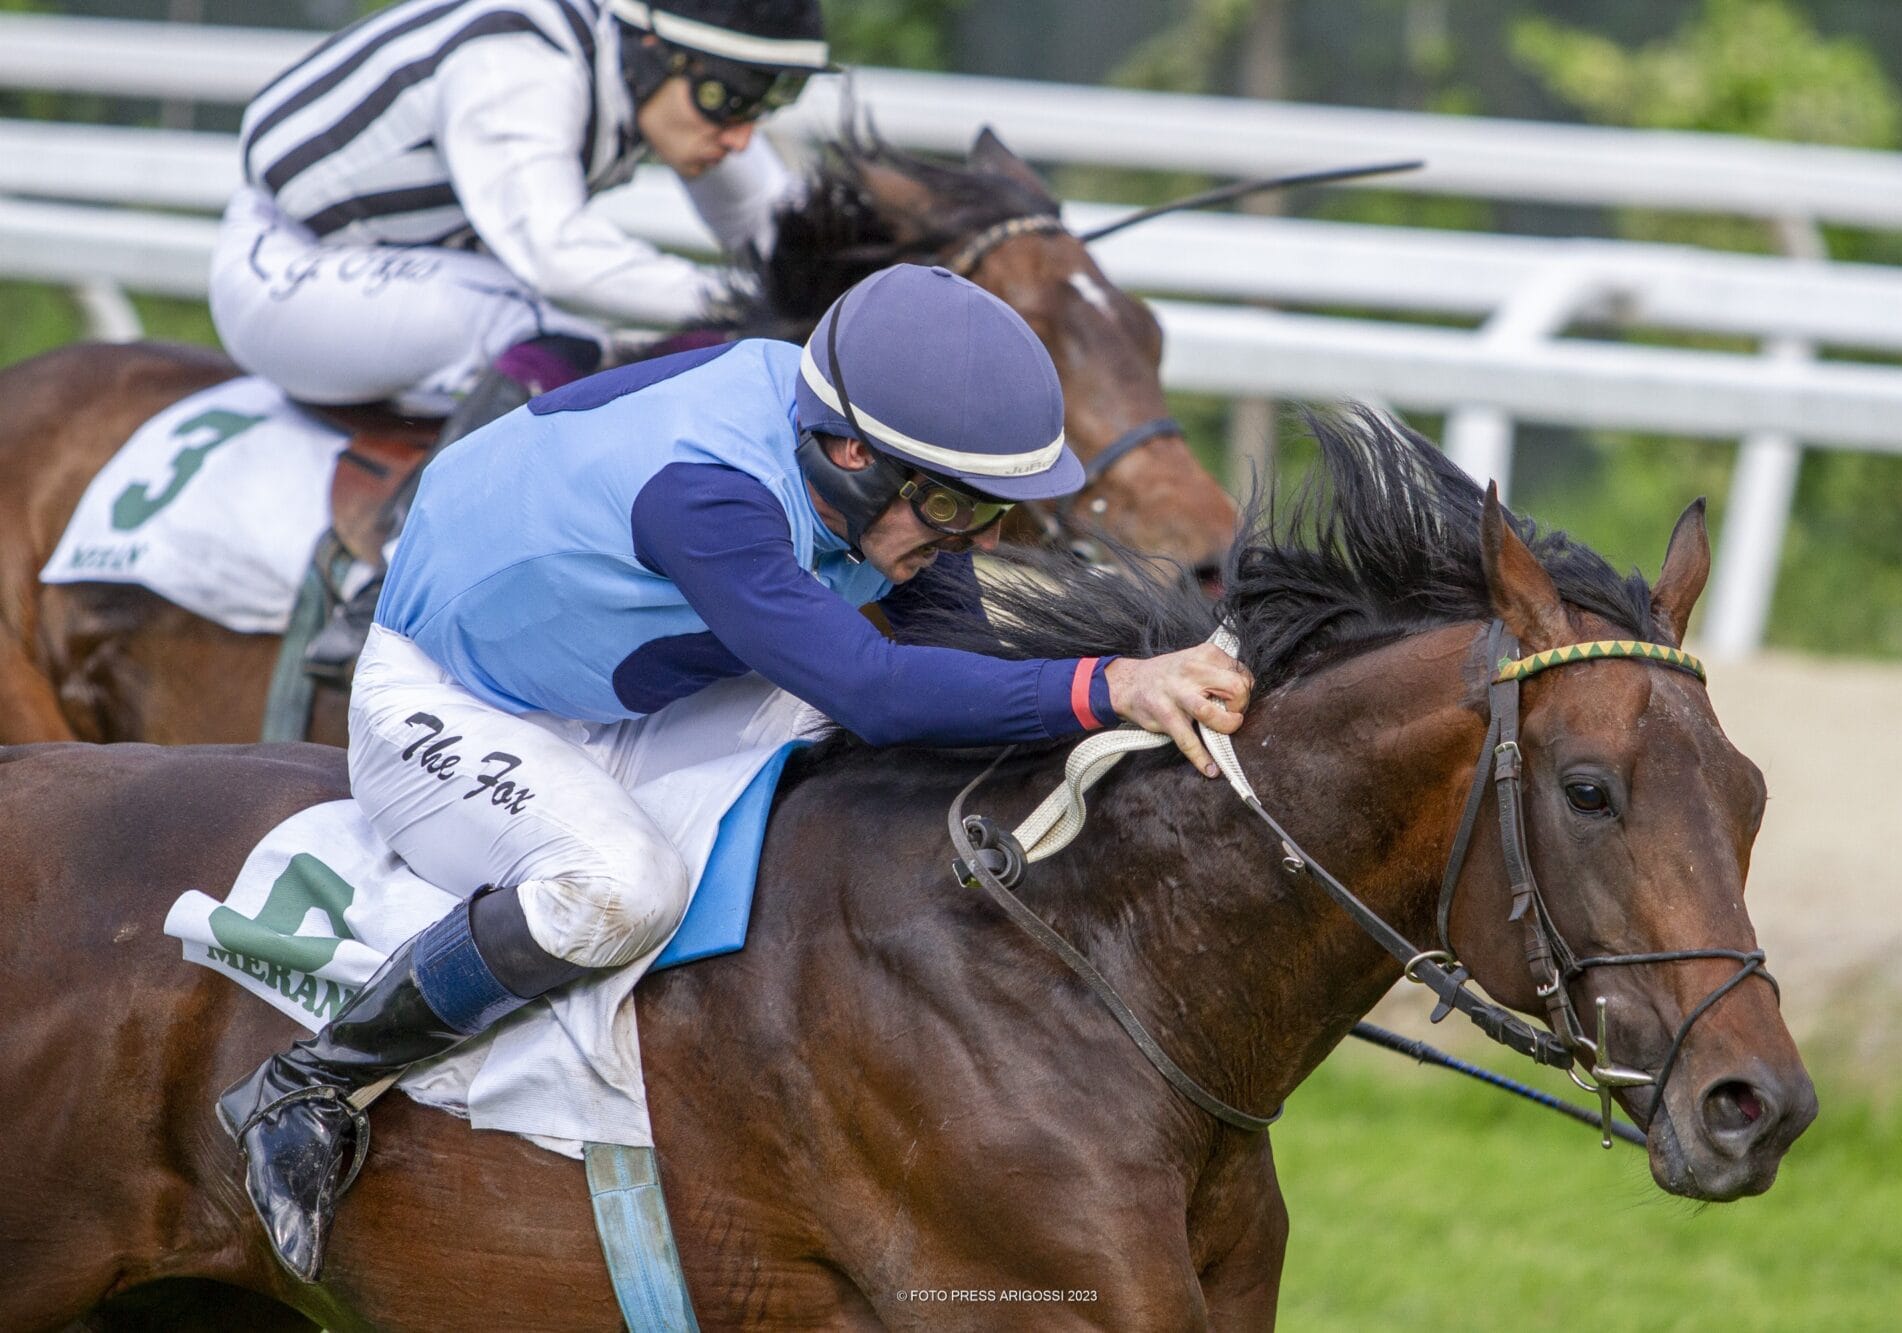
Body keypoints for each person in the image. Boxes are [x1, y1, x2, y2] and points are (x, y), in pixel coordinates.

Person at [216, 263, 1253, 1283]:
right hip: (449, 697)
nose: (973, 541)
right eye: (949, 506)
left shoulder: (845, 440)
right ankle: (310, 1083)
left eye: (993, 513)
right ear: (848, 455)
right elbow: (878, 690)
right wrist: (1110, 683)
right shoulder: (712, 496)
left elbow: (952, 655)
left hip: (627, 681)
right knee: (624, 891)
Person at [207, 0, 834, 667]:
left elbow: (780, 233)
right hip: (289, 271)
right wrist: (747, 305)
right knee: (562, 330)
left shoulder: (640, 65)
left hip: (396, 260)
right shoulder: (518, 63)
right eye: (728, 95)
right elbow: (556, 258)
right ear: (651, 47)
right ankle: (393, 586)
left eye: (768, 100)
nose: (741, 134)